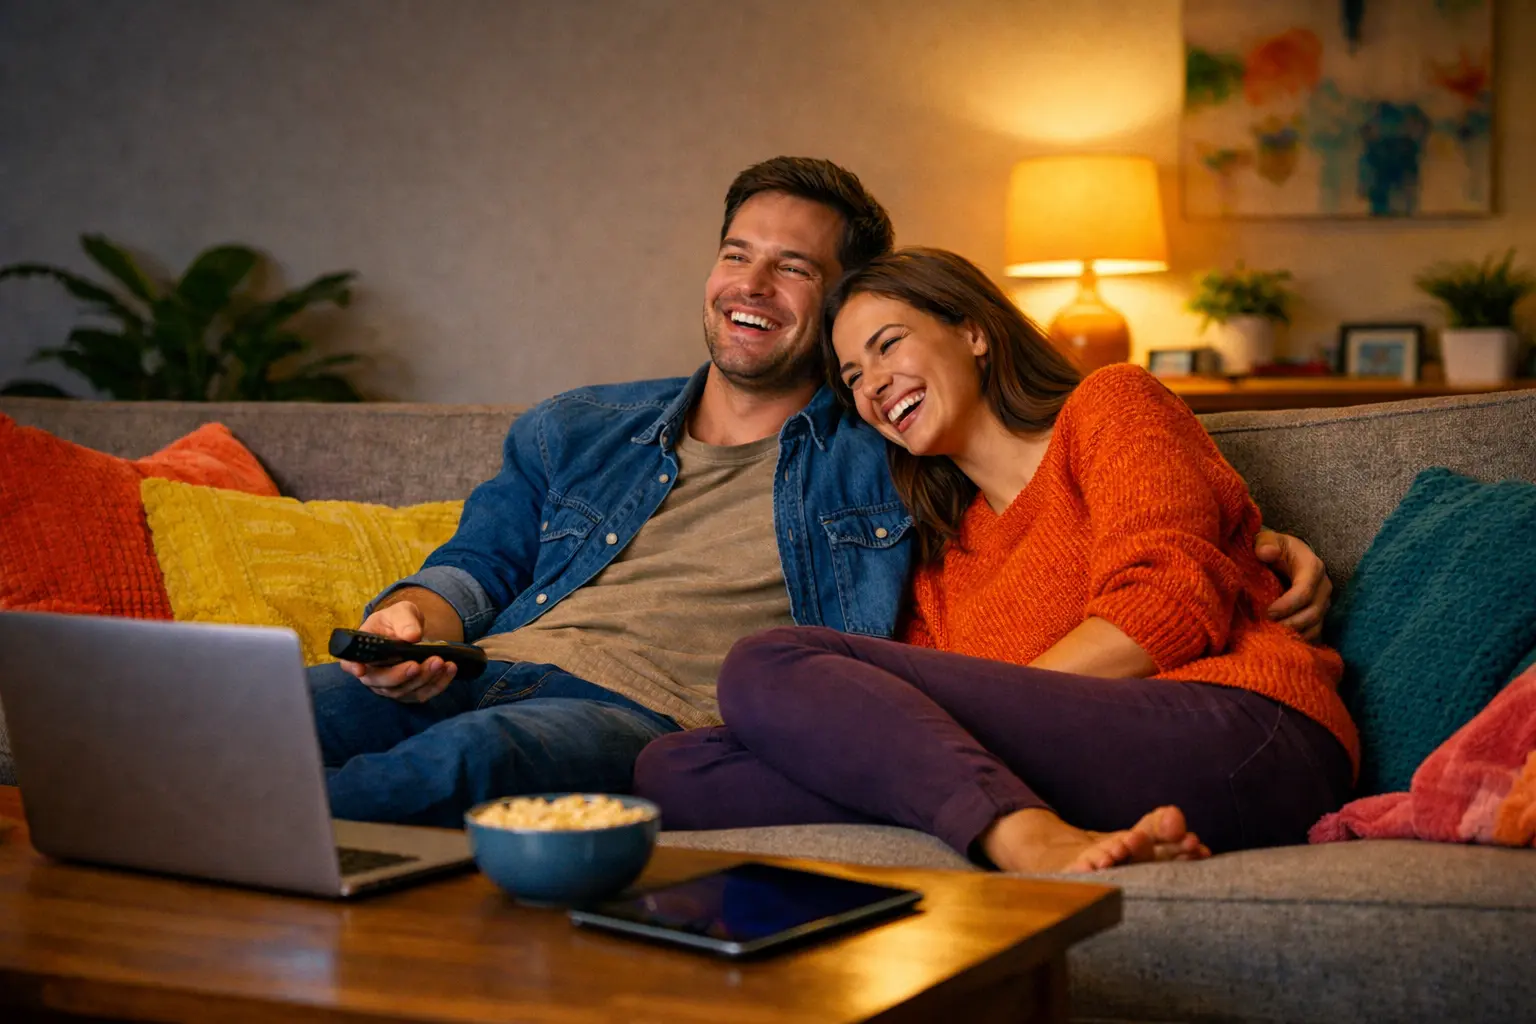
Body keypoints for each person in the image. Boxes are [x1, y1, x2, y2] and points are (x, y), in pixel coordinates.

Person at [311, 159, 1334, 829]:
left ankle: (245, 844)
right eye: (737, 255)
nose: (752, 286)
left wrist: (1245, 534)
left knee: (755, 674)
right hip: (492, 668)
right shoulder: (930, 531)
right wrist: (413, 615)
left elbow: (1163, 573)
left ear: (969, 326)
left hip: (1226, 722)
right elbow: (480, 561)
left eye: (795, 271)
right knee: (677, 774)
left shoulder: (920, 447)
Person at [633, 248, 1358, 873]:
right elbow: (899, 736)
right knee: (677, 768)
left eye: (888, 345)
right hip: (1087, 782)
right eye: (853, 376)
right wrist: (941, 747)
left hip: (1241, 736)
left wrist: (964, 729)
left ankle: (1021, 840)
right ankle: (1020, 823)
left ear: (973, 331)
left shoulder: (1109, 405)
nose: (873, 385)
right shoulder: (940, 563)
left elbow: (1164, 612)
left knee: (767, 663)